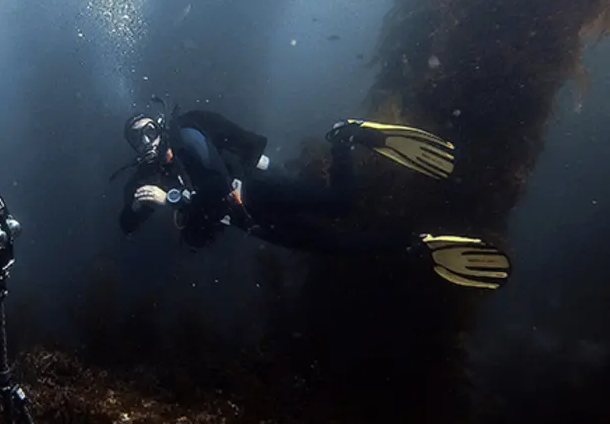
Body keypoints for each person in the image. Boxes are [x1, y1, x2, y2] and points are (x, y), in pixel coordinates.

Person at [113, 98, 511, 290]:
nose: (145, 142)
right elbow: (127, 225)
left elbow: (216, 186)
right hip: (251, 221)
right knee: (335, 243)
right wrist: (135, 206)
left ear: (161, 123)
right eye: (136, 139)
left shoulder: (186, 136)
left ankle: (345, 137)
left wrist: (174, 201)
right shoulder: (151, 173)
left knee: (341, 204)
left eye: (148, 130)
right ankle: (417, 247)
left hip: (257, 192)